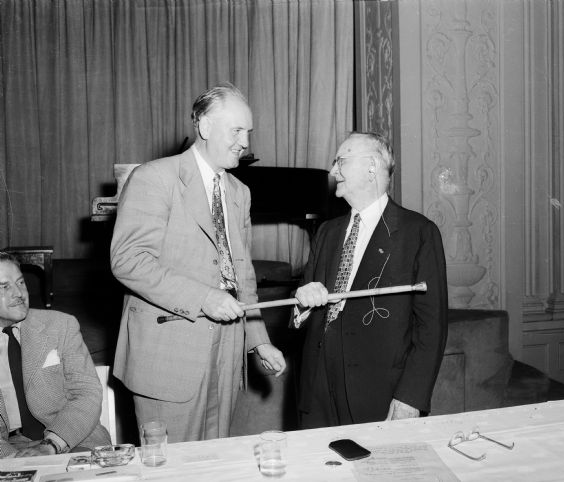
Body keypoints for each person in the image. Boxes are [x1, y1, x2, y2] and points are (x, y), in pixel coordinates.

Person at [110, 82, 286, 442]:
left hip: (227, 353)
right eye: (236, 130)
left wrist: (257, 340)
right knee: (170, 469)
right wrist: (204, 297)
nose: (245, 142)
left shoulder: (239, 193)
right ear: (205, 127)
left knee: (213, 463)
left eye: (248, 133)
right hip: (167, 355)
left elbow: (242, 275)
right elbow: (128, 260)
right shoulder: (155, 178)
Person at [293, 131, 448, 429]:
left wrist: (411, 399)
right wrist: (302, 304)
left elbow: (432, 329)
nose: (332, 171)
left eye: (340, 161)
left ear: (372, 168)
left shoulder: (418, 233)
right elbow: (303, 308)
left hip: (378, 395)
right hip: (317, 393)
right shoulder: (327, 232)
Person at [0, 252, 111, 458]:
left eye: (20, 282)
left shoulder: (61, 325)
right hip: (8, 450)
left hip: (71, 439)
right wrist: (13, 460)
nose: (19, 293)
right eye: (4, 286)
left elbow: (87, 394)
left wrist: (51, 445)